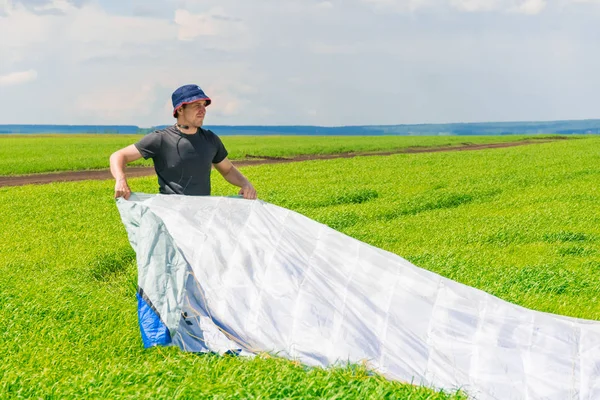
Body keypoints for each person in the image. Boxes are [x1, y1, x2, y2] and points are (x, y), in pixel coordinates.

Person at [110, 84, 257, 200]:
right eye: (196, 105)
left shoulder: (210, 139)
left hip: (201, 215)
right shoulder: (161, 139)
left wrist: (245, 184)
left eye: (203, 105)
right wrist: (121, 180)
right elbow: (118, 156)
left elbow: (228, 170)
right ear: (180, 109)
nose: (202, 110)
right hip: (171, 216)